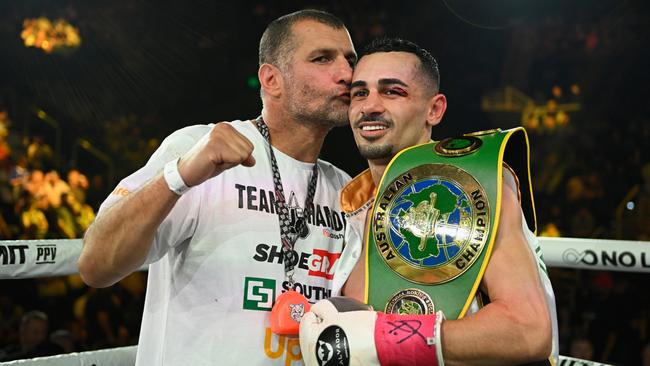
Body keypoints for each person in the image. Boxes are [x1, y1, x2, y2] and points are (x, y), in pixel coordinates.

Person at [78, 9, 357, 365]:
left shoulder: (346, 190)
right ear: (271, 80)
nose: (346, 74)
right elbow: (95, 265)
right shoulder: (197, 148)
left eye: (350, 60)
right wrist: (178, 177)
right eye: (322, 59)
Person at [300, 38, 558, 365]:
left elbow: (528, 330)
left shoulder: (471, 188)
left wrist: (384, 339)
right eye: (360, 93)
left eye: (392, 91)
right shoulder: (355, 205)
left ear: (434, 109)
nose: (370, 106)